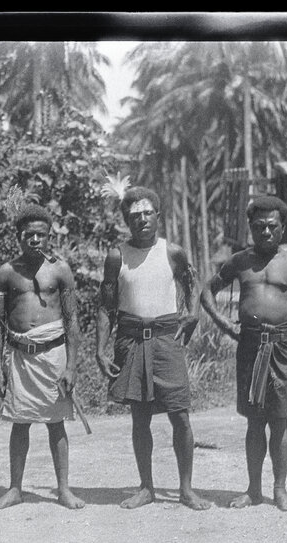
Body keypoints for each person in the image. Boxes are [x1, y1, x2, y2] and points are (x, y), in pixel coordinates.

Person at [199, 195, 287, 512]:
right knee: (254, 422)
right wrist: (225, 324)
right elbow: (207, 292)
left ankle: (279, 490)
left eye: (271, 226)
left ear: (282, 228)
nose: (265, 232)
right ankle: (253, 490)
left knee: (279, 421)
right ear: (250, 227)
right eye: (259, 226)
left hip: (281, 347)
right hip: (250, 347)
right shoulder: (239, 262)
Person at [95, 186, 210, 510]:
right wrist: (100, 350)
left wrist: (192, 314)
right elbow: (105, 306)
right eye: (135, 216)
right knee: (139, 417)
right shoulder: (117, 256)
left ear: (157, 216)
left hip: (165, 338)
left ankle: (186, 489)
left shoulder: (171, 251)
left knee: (181, 416)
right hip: (130, 339)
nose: (142, 220)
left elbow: (192, 281)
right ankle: (146, 487)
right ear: (126, 221)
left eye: (147, 213)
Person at [0, 204, 85, 510]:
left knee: (56, 424)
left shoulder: (60, 270)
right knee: (20, 423)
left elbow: (71, 320)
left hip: (53, 354)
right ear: (18, 236)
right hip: (20, 356)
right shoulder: (6, 272)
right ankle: (15, 488)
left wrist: (71, 366)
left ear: (49, 236)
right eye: (28, 235)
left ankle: (64, 489)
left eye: (40, 235)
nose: (34, 240)